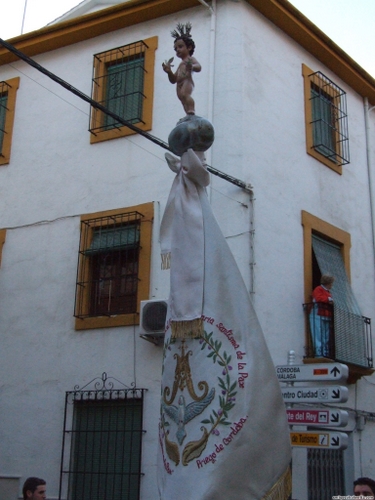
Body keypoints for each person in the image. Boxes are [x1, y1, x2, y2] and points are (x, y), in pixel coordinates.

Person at [162, 22, 201, 116]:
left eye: (180, 47)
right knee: (182, 99)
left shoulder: (190, 59)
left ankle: (191, 110)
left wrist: (192, 67)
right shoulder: (180, 65)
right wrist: (169, 72)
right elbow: (173, 79)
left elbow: (199, 67)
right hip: (179, 84)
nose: (177, 50)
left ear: (189, 47)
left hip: (187, 81)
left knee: (185, 94)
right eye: (175, 49)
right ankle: (188, 114)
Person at [310, 274, 334, 357]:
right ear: (328, 283)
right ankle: (319, 353)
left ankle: (325, 353)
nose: (332, 285)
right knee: (318, 334)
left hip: (326, 315)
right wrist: (329, 299)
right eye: (331, 283)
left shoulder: (328, 292)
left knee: (325, 336)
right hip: (318, 314)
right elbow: (319, 298)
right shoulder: (318, 289)